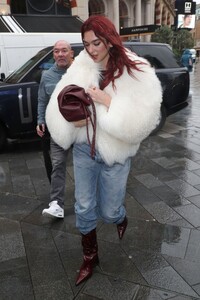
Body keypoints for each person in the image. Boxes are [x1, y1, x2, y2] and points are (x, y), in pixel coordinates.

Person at [46, 15, 162, 285]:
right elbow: (58, 101)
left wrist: (107, 101)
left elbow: (144, 120)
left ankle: (119, 217)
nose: (91, 50)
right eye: (86, 44)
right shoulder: (82, 66)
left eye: (96, 43)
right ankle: (90, 257)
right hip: (84, 149)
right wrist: (69, 118)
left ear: (109, 39)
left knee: (109, 211)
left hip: (115, 154)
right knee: (84, 206)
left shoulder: (138, 70)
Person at [36, 40, 74, 218]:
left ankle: (92, 199)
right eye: (57, 51)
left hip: (81, 130)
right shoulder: (47, 76)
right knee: (57, 165)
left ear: (71, 53)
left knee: (89, 164)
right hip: (58, 129)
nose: (60, 54)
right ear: (53, 55)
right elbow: (42, 100)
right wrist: (40, 120)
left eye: (64, 51)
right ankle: (57, 204)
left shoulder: (80, 72)